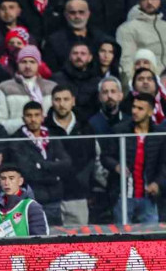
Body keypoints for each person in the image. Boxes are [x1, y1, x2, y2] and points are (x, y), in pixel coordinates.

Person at [3, 101, 72, 226]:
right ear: (23, 118)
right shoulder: (16, 140)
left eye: (36, 115)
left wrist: (42, 165)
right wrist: (54, 173)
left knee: (55, 240)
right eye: (29, 115)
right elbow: (28, 172)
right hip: (31, 201)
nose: (33, 119)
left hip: (54, 200)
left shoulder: (52, 136)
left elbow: (66, 164)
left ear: (42, 117)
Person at [102, 92, 166, 224]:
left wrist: (158, 183)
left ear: (150, 112)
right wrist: (116, 166)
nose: (135, 111)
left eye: (140, 108)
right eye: (134, 107)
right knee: (124, 241)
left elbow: (164, 164)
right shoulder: (119, 130)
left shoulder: (159, 135)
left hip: (149, 197)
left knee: (149, 240)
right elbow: (105, 156)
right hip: (122, 197)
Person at [46, 85, 95, 226]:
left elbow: (92, 159)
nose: (62, 104)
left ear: (73, 101)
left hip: (78, 195)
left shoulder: (86, 127)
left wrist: (86, 186)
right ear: (52, 101)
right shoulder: (44, 128)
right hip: (51, 196)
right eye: (57, 100)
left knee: (79, 243)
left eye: (66, 99)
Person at [0, 45, 57, 133]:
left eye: (32, 62)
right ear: (17, 63)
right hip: (17, 141)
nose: (28, 66)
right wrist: (28, 123)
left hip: (48, 140)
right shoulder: (4, 88)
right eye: (23, 62)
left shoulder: (52, 87)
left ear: (38, 64)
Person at [42, 0, 109, 73]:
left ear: (88, 14)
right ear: (66, 15)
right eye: (72, 13)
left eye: (81, 12)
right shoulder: (54, 42)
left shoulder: (100, 39)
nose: (77, 16)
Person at [117, 0, 166, 87]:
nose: (149, 2)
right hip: (146, 84)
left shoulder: (164, 26)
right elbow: (126, 63)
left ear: (159, 1)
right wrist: (134, 87)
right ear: (139, 2)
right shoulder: (127, 29)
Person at [0, 164, 50, 237]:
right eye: (3, 178)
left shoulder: (31, 206)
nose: (6, 183)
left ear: (20, 181)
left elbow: (40, 241)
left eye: (11, 178)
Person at [51, 42, 102, 122]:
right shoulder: (57, 79)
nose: (79, 56)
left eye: (83, 53)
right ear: (70, 57)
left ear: (90, 58)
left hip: (90, 124)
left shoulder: (97, 82)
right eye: (75, 53)